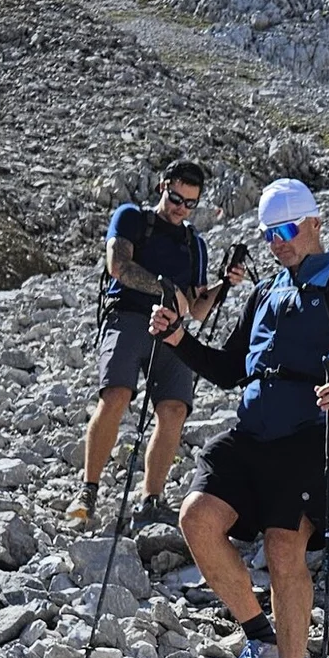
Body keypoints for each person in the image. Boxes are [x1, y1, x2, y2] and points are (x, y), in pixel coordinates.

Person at [149, 177, 329, 658]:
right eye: (267, 234)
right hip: (251, 432)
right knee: (197, 518)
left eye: (284, 230)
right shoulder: (264, 293)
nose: (276, 242)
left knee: (285, 548)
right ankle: (259, 638)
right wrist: (179, 340)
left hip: (310, 435)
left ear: (313, 223)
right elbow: (234, 368)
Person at [70, 158, 236, 532]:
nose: (181, 209)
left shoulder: (195, 243)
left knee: (175, 409)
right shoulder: (132, 217)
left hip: (172, 330)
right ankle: (88, 490)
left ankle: (152, 499)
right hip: (127, 316)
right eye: (177, 198)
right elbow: (119, 267)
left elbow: (195, 309)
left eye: (190, 204)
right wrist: (165, 287)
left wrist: (223, 284)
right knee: (116, 395)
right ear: (163, 187)